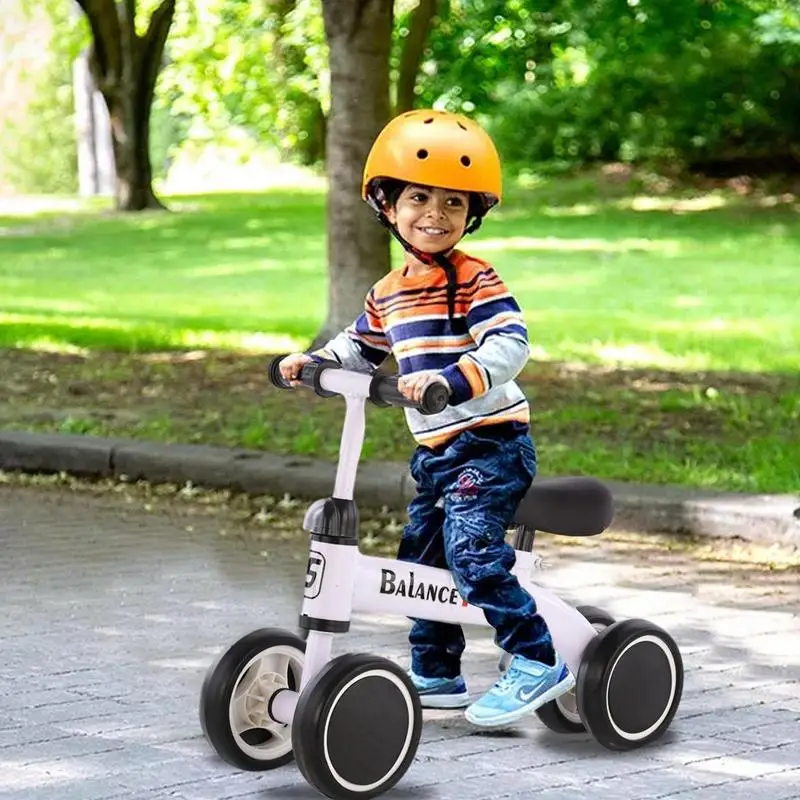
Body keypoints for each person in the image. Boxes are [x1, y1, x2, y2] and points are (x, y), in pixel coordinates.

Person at [278, 109, 574, 727]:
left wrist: (450, 378)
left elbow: (509, 344)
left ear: (472, 215)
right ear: (388, 205)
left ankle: (535, 657)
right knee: (420, 561)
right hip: (437, 452)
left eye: (452, 204)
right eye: (419, 197)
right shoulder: (387, 291)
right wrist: (313, 364)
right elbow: (359, 346)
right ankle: (437, 673)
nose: (435, 215)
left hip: (491, 443)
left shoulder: (476, 280)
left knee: (470, 552)